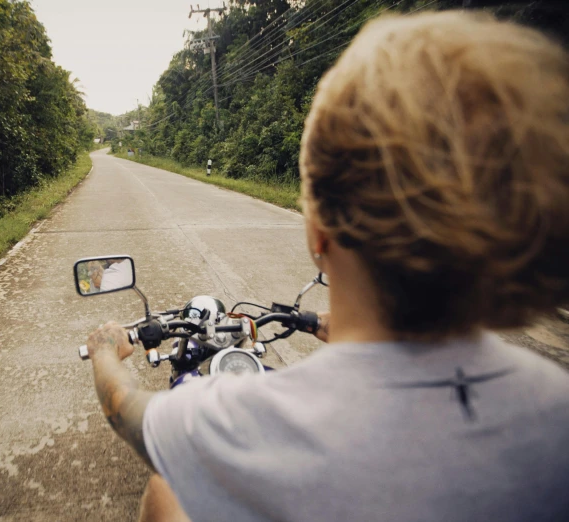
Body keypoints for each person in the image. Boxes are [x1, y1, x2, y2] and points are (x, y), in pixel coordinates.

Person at [84, 10, 569, 522]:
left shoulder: (239, 423)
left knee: (166, 486)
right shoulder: (555, 411)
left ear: (318, 232)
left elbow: (127, 412)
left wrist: (105, 353)